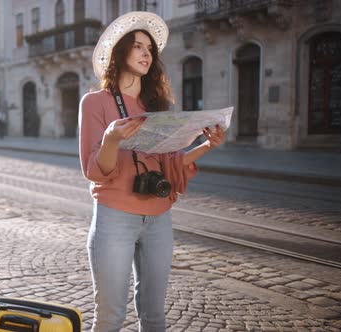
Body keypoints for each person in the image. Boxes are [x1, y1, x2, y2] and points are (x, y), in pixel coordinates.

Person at [78, 12, 226, 331]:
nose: (146, 53)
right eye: (137, 46)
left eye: (150, 49)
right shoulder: (95, 103)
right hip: (114, 216)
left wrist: (206, 145)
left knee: (155, 316)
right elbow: (94, 170)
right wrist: (111, 139)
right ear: (120, 52)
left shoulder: (155, 109)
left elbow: (171, 164)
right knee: (109, 317)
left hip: (159, 218)